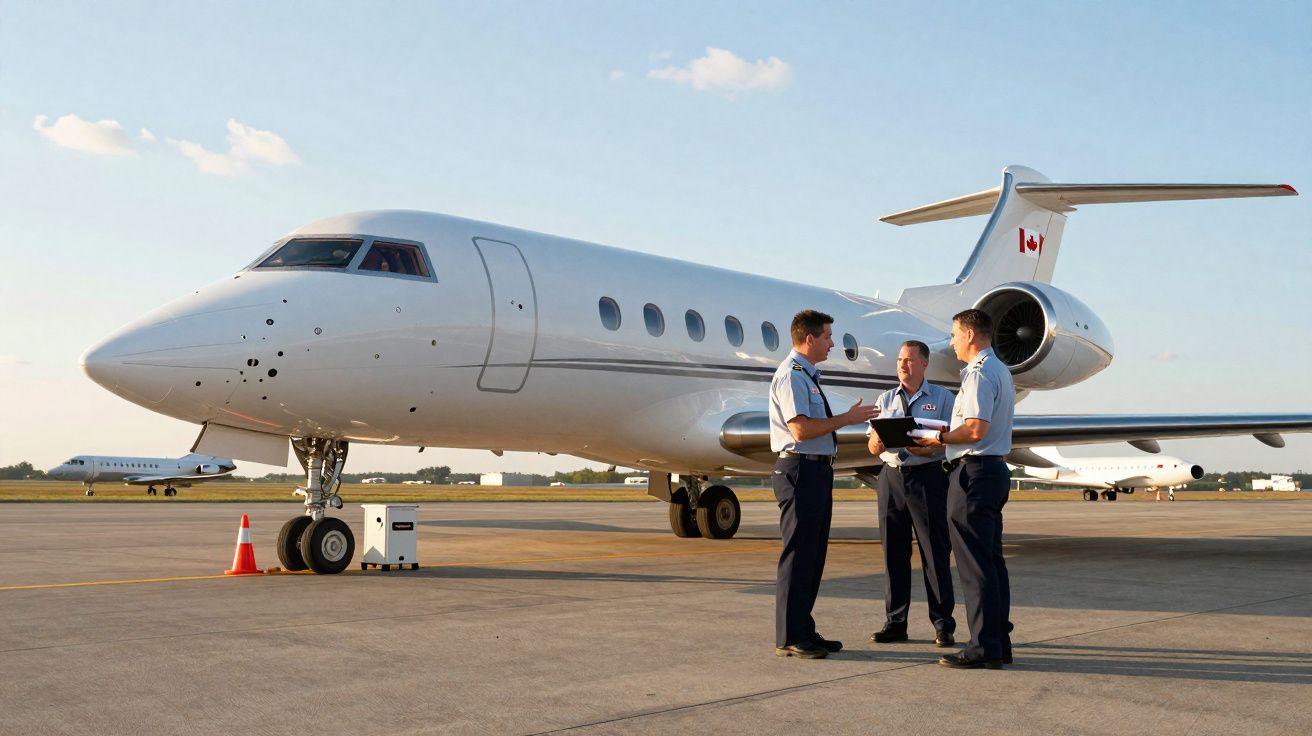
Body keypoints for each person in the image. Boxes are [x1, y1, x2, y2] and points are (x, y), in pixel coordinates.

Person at [769, 309, 880, 659]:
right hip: (800, 471)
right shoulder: (792, 375)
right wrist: (846, 419)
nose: (833, 343)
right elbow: (800, 430)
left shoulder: (807, 375)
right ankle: (789, 635)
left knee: (813, 556)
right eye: (828, 336)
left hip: (816, 471)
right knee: (799, 554)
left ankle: (803, 628)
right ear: (809, 339)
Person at [914, 308, 1015, 669]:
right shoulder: (999, 369)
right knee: (990, 562)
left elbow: (974, 429)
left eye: (954, 334)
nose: (952, 341)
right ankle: (998, 642)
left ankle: (983, 647)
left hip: (973, 474)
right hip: (991, 471)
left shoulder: (978, 374)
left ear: (970, 335)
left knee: (974, 565)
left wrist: (936, 438)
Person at [867, 340, 957, 647]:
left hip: (927, 478)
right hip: (891, 479)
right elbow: (872, 443)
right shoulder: (885, 398)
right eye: (900, 359)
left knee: (935, 554)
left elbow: (950, 441)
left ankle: (943, 624)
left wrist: (925, 445)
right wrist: (876, 444)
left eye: (909, 360)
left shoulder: (944, 398)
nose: (902, 364)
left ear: (924, 364)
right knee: (893, 553)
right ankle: (895, 623)